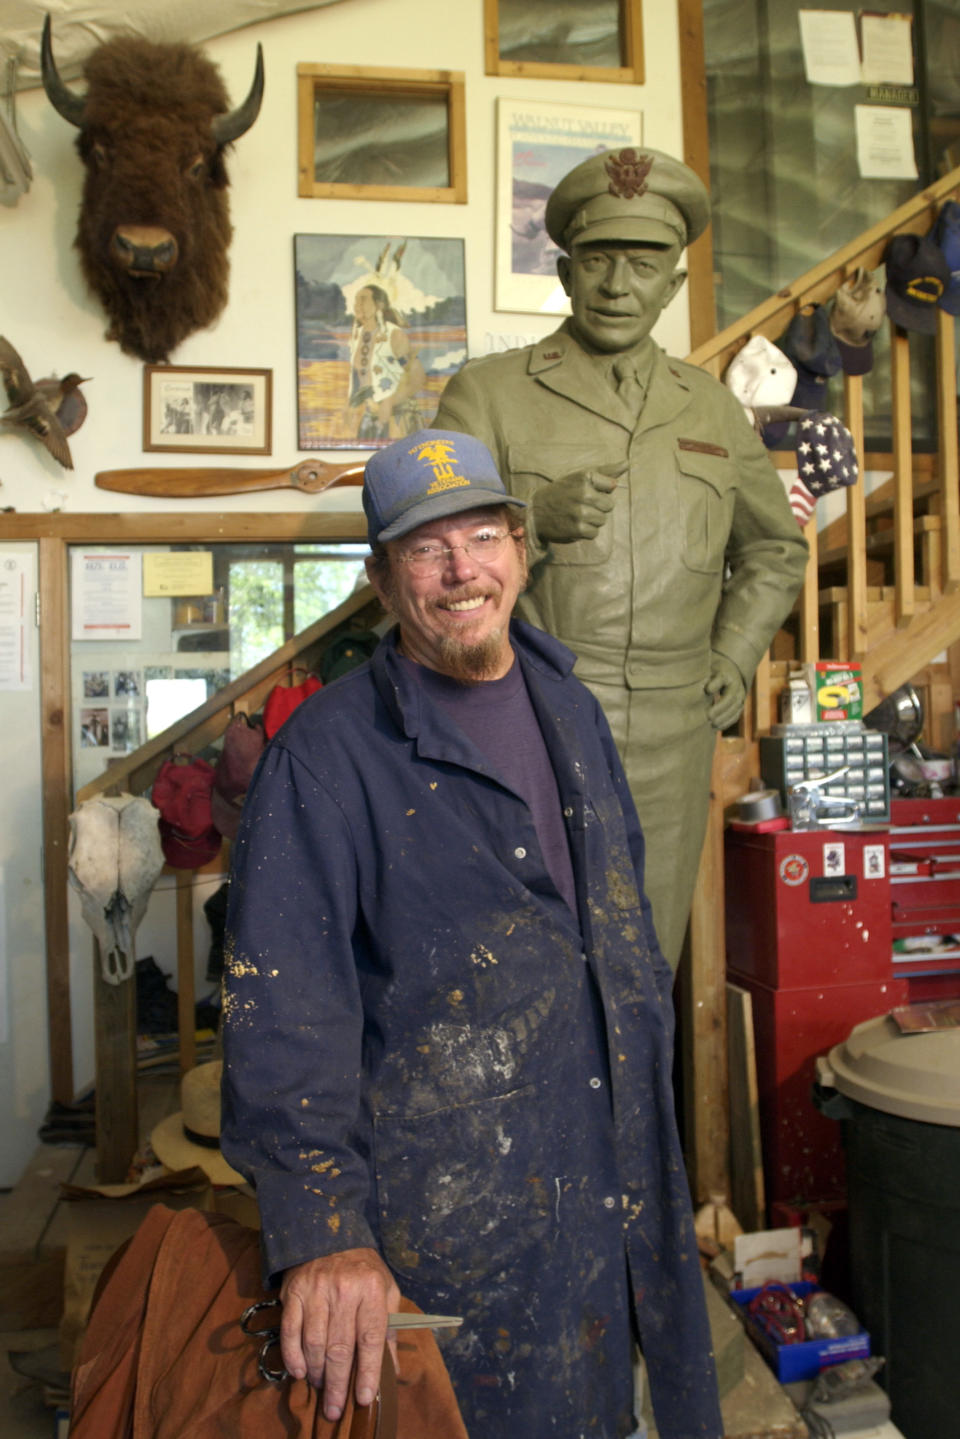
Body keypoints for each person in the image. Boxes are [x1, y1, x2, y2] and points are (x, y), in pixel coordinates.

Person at [220, 428, 723, 1439]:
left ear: (522, 551)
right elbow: (282, 1010)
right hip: (453, 1213)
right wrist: (324, 1233)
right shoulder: (325, 759)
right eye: (425, 548)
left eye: (483, 535)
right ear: (380, 578)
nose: (462, 571)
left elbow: (615, 941)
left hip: (611, 1169)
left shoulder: (572, 710)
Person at [434, 146, 809, 969]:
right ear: (566, 273)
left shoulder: (710, 405)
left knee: (643, 968)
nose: (617, 286)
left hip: (676, 733)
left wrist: (734, 655)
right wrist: (528, 523)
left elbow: (776, 549)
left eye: (643, 266)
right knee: (523, 969)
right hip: (528, 715)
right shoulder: (488, 393)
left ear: (673, 284)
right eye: (598, 261)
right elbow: (424, 552)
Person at [347, 282, 426, 441]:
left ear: (379, 305)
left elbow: (417, 378)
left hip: (399, 419)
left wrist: (390, 402)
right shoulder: (357, 336)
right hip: (371, 416)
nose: (357, 305)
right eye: (356, 300)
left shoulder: (394, 335)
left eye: (363, 299)